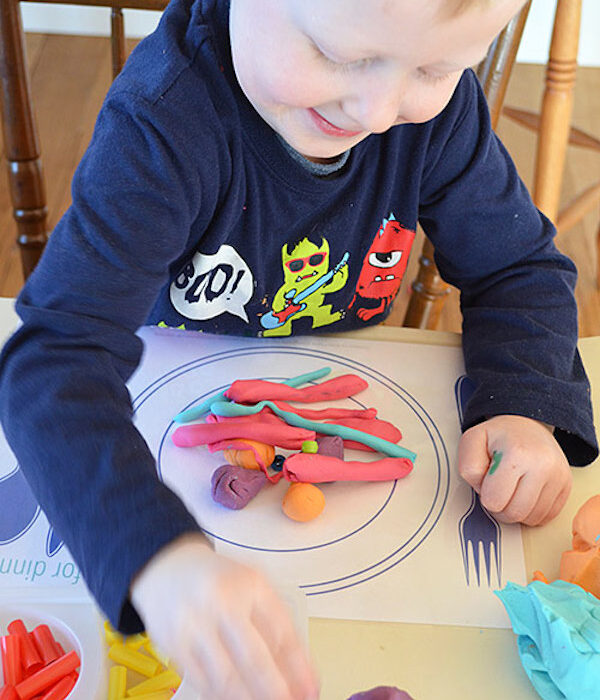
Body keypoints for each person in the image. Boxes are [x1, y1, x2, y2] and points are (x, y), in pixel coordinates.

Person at [0, 0, 597, 697]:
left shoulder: (436, 116)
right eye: (339, 57)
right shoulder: (165, 124)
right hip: (176, 393)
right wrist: (153, 557)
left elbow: (518, 267)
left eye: (436, 68)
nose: (377, 112)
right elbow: (52, 363)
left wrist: (527, 402)